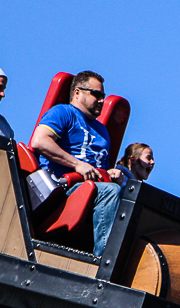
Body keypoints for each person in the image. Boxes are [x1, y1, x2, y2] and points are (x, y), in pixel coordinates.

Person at [31, 71, 121, 256]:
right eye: (96, 94)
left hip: (93, 188)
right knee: (111, 192)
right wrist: (77, 164)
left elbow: (100, 166)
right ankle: (104, 259)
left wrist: (111, 173)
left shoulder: (102, 130)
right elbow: (39, 141)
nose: (101, 100)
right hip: (61, 188)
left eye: (103, 96)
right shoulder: (63, 112)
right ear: (78, 92)